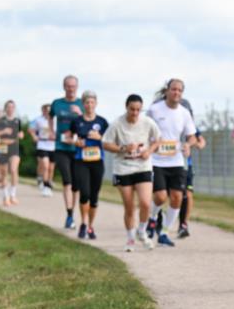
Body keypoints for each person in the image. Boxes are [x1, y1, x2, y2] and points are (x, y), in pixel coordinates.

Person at [102, 94, 161, 251]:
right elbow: (106, 144)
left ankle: (142, 232)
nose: (135, 113)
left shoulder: (148, 122)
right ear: (126, 107)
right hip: (123, 168)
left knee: (145, 203)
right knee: (129, 206)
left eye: (138, 110)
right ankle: (130, 239)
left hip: (143, 167)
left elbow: (158, 139)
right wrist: (123, 148)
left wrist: (149, 151)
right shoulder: (117, 124)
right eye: (132, 109)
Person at [145, 79, 198, 247]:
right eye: (173, 89)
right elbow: (144, 130)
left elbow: (192, 136)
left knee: (176, 198)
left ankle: (164, 232)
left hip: (176, 161)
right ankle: (152, 219)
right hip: (156, 160)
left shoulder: (184, 113)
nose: (176, 93)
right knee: (160, 196)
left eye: (180, 91)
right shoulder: (154, 109)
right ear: (167, 91)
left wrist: (188, 145)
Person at [68, 91, 108, 239]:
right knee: (84, 193)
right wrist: (76, 141)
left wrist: (100, 137)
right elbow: (69, 136)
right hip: (81, 161)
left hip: (97, 162)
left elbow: (110, 141)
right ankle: (83, 223)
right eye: (87, 102)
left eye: (92, 102)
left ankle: (91, 226)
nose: (89, 105)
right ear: (83, 104)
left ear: (96, 104)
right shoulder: (77, 121)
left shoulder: (102, 122)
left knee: (94, 196)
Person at [51, 75, 84, 228]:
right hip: (61, 147)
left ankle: (72, 212)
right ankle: (69, 214)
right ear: (64, 87)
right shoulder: (57, 103)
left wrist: (80, 113)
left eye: (73, 86)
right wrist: (51, 131)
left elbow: (88, 121)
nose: (71, 89)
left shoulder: (82, 104)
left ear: (77, 87)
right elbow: (51, 116)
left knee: (76, 184)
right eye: (68, 86)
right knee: (67, 180)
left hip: (77, 147)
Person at [174, 97, 206, 239]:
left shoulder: (190, 126)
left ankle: (183, 224)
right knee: (172, 195)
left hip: (186, 164)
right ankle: (160, 219)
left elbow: (201, 141)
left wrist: (193, 144)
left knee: (188, 193)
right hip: (167, 164)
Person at [0, 100, 23, 206]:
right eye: (8, 107)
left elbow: (20, 133)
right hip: (3, 147)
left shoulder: (17, 121)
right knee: (4, 173)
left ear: (14, 108)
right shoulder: (0, 121)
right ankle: (5, 197)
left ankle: (13, 195)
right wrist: (3, 132)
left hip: (14, 146)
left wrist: (21, 135)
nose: (10, 109)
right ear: (5, 108)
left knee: (14, 169)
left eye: (12, 107)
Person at [28, 103, 56, 197]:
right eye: (46, 110)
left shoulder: (55, 120)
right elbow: (30, 129)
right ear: (43, 111)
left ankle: (49, 182)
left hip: (53, 146)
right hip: (42, 145)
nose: (48, 112)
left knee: (51, 168)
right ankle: (46, 186)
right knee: (45, 165)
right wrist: (34, 136)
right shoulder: (38, 120)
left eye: (49, 110)